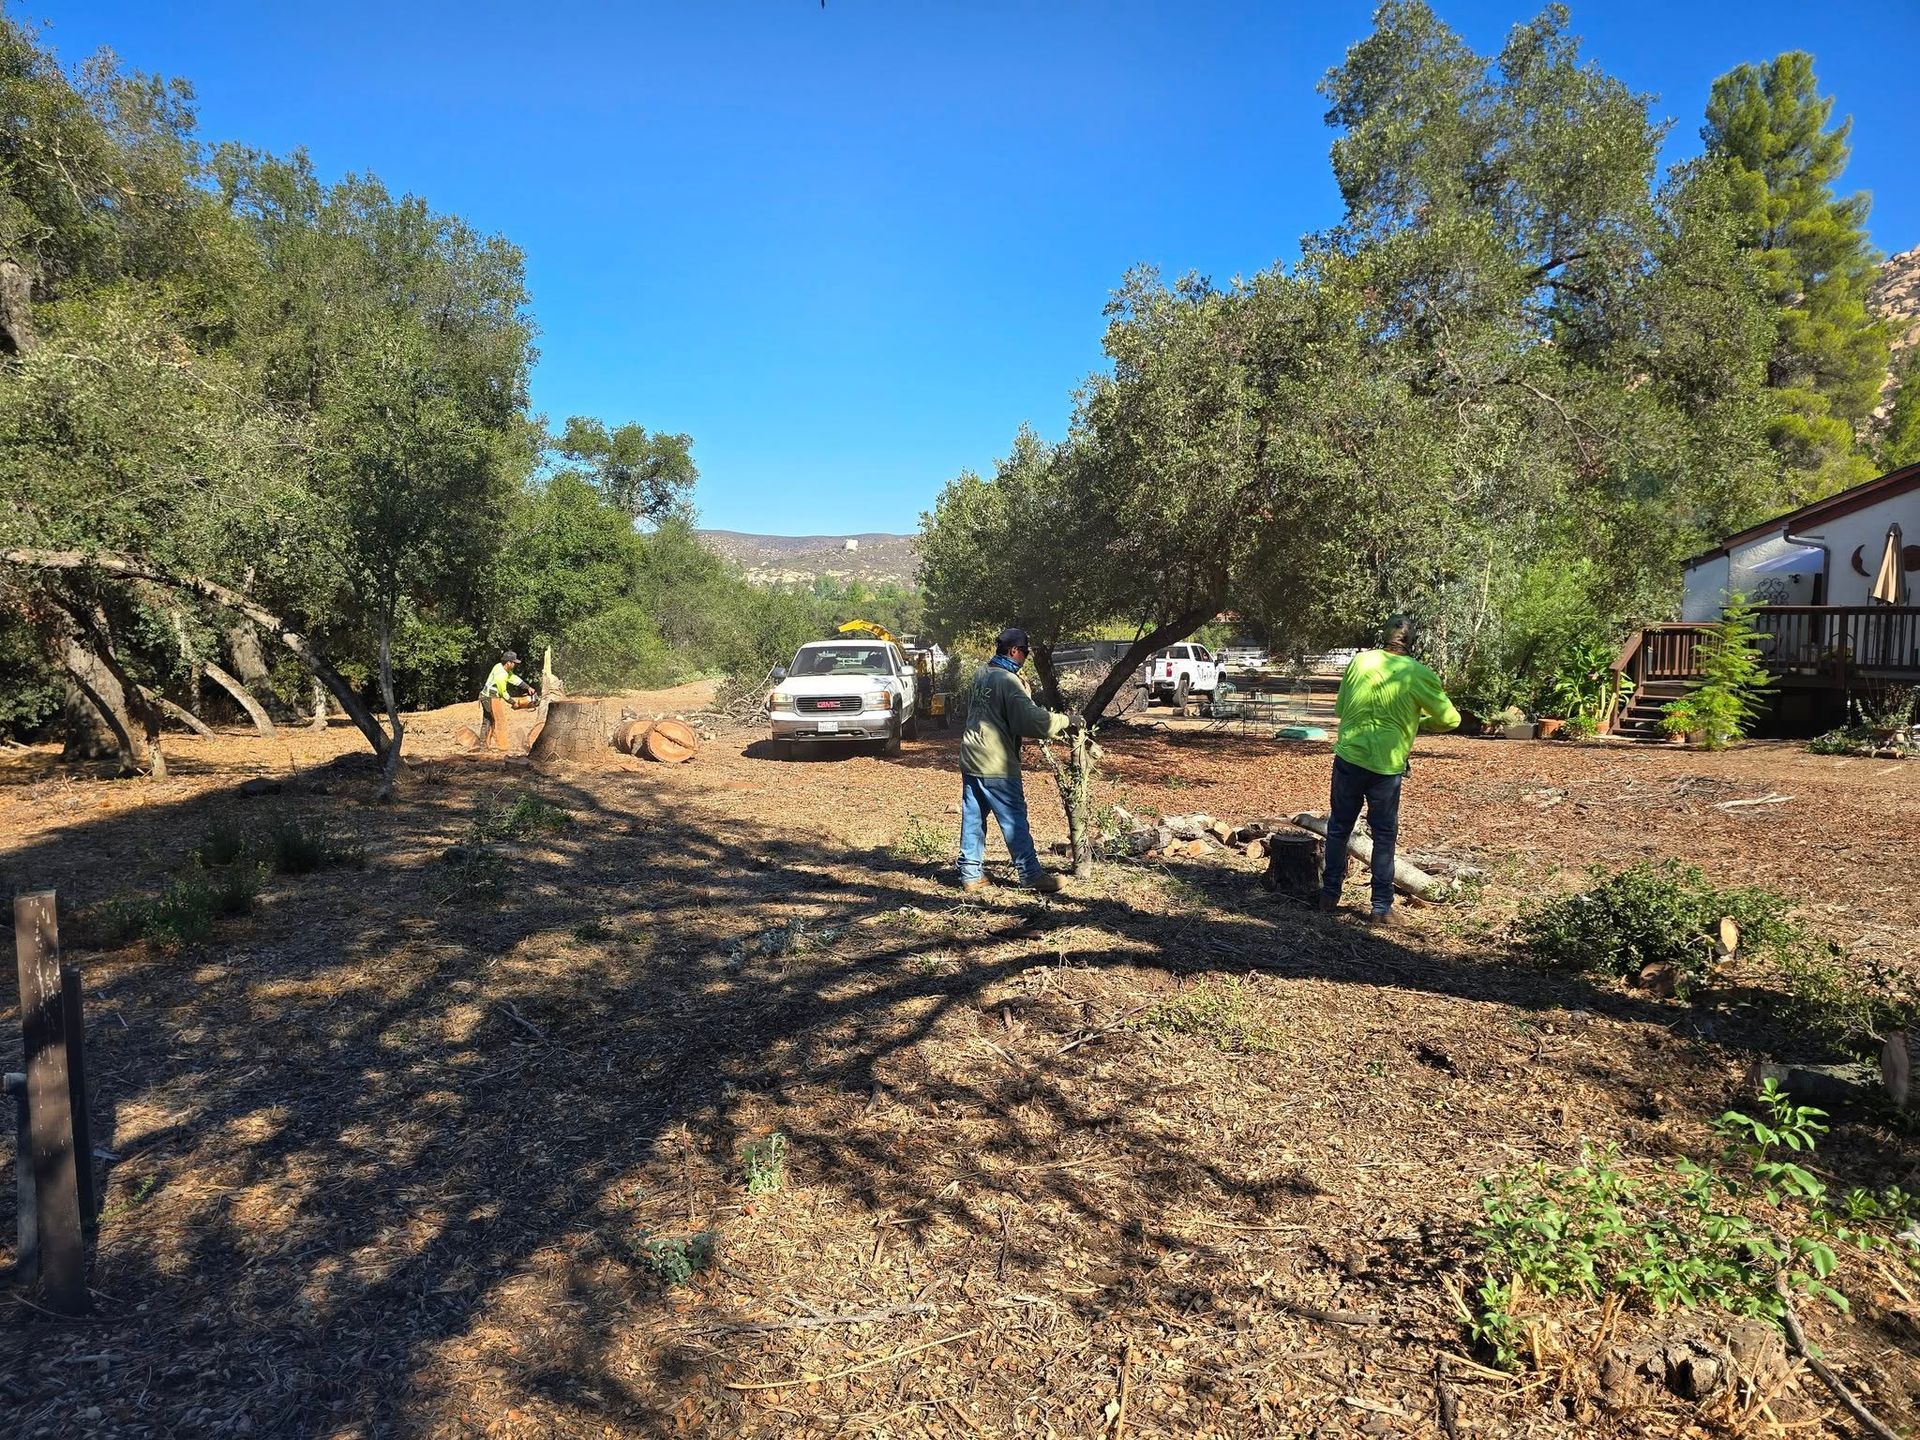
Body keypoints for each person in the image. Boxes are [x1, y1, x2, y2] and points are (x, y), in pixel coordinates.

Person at [1321, 615, 1459, 922]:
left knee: (1339, 828)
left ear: (1384, 636)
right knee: (1383, 835)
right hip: (1386, 767)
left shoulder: (1360, 662)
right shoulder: (1419, 674)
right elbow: (1450, 720)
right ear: (1413, 642)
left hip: (1349, 758)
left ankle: (1329, 895)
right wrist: (1416, 723)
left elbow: (1341, 709)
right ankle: (1381, 907)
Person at [957, 627, 1074, 894]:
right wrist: (1067, 721)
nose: (1025, 658)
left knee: (973, 818)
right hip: (995, 762)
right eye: (1024, 653)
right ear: (1014, 651)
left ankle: (970, 874)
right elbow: (1032, 721)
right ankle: (1031, 874)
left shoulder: (981, 674)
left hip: (971, 756)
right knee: (1013, 819)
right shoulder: (1007, 681)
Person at [477, 650, 539, 753]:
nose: (515, 664)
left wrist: (527, 687)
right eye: (514, 662)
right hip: (489, 697)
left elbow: (513, 678)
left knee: (489, 720)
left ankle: (484, 746)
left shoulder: (501, 667)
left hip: (489, 697)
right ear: (508, 662)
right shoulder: (501, 674)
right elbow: (503, 693)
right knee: (494, 721)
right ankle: (487, 746)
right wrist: (513, 703)